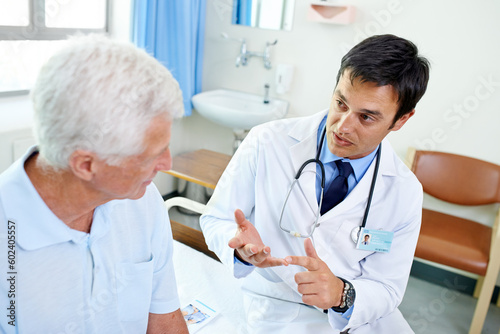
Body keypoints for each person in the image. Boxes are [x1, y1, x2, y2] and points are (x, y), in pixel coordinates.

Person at [200, 34, 430, 333]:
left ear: (401, 120)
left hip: (356, 317)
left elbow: (387, 287)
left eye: (367, 117)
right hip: (274, 302)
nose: (343, 126)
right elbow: (216, 218)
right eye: (340, 103)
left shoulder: (404, 191)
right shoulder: (267, 141)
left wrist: (340, 294)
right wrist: (240, 249)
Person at [0, 35, 189, 333]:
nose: (168, 164)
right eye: (151, 155)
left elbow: (164, 320)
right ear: (86, 165)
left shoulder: (143, 199)